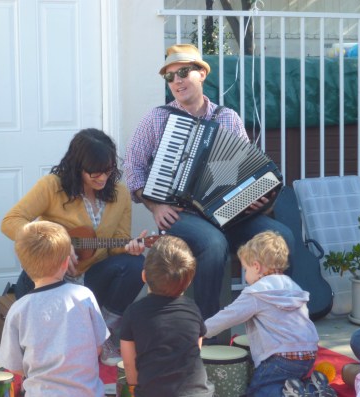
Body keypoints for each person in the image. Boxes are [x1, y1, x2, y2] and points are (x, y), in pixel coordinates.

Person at [123, 43, 294, 322]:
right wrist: (154, 206)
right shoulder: (157, 119)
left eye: (184, 72)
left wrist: (255, 199)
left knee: (281, 235)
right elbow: (133, 169)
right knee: (213, 245)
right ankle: (208, 328)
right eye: (170, 76)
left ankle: (277, 318)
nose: (177, 81)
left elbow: (243, 171)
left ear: (202, 73)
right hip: (181, 214)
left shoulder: (227, 118)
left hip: (230, 215)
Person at [1, 128, 146, 366]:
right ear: (77, 166)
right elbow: (10, 221)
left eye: (108, 171)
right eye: (94, 173)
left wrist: (129, 247)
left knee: (135, 265)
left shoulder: (119, 193)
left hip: (90, 279)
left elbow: (117, 242)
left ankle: (104, 335)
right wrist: (55, 241)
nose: (102, 179)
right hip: (47, 278)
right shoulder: (52, 186)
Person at [203, 231, 332, 397]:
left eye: (245, 269)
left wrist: (202, 330)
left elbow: (229, 316)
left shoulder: (256, 293)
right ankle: (311, 388)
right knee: (289, 382)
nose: (246, 275)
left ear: (256, 267)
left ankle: (295, 393)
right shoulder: (292, 286)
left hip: (280, 359)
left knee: (258, 391)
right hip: (308, 354)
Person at [0, 221, 109, 396]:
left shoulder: (19, 309)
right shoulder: (84, 295)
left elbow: (14, 365)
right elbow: (98, 347)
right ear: (66, 263)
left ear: (24, 267)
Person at [120, 235, 214, 397]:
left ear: (144, 276)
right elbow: (195, 351)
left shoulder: (133, 312)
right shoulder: (192, 308)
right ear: (189, 281)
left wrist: (134, 389)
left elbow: (129, 363)